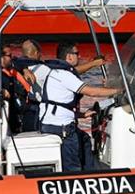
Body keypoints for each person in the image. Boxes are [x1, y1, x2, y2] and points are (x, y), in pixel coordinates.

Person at [34, 41, 121, 171]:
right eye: (76, 54)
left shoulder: (57, 71)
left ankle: (90, 174)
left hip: (53, 123)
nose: (79, 57)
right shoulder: (64, 75)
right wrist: (120, 90)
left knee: (85, 140)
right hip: (61, 128)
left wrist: (81, 114)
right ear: (69, 57)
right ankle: (77, 178)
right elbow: (92, 91)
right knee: (72, 164)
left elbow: (61, 102)